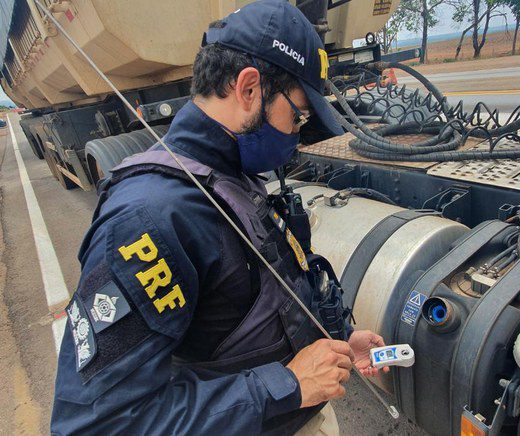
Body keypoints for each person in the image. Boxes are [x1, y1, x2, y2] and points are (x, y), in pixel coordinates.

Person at [50, 1, 388, 434]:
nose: (297, 132)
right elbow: (100, 424)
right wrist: (285, 386)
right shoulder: (149, 217)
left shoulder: (229, 174)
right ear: (248, 89)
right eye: (297, 115)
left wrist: (337, 341)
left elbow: (262, 303)